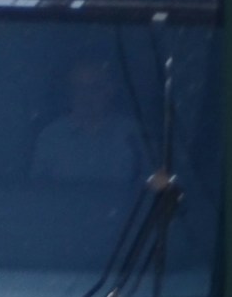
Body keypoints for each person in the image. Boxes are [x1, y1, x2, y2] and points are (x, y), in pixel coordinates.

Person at [28, 49, 151, 191]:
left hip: (127, 212)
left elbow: (149, 183)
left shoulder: (131, 133)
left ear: (109, 90)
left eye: (95, 88)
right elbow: (36, 190)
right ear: (69, 92)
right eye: (79, 88)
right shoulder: (51, 136)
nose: (86, 96)